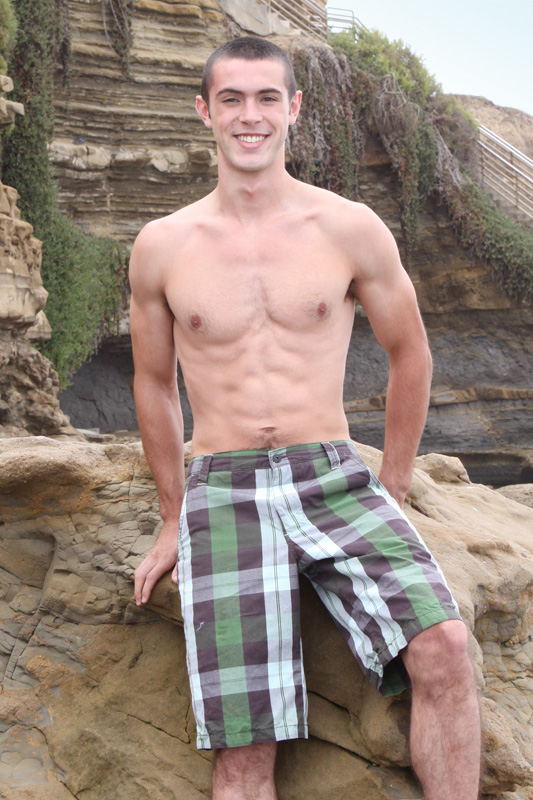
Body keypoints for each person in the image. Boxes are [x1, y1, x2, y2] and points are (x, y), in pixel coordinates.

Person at [130, 36, 481, 800]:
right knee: (246, 746)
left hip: (331, 477)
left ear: (292, 108)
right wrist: (171, 515)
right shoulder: (162, 245)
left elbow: (410, 353)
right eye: (231, 99)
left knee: (444, 648)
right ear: (204, 111)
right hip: (222, 490)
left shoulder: (347, 227)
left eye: (266, 98)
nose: (249, 115)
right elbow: (153, 384)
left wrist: (393, 483)